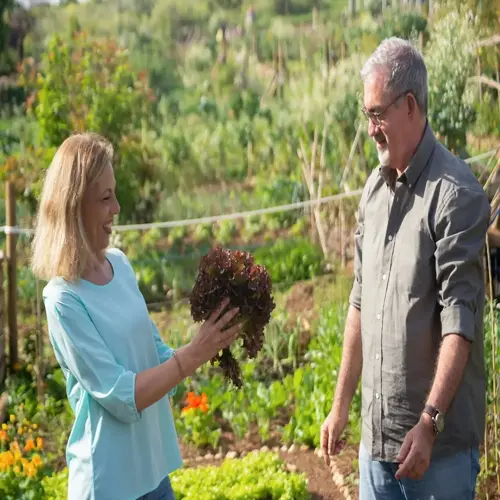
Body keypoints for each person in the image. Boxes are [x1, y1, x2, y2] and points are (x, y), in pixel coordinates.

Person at [320, 37, 490, 500]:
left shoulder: (456, 196)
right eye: (367, 115)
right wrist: (340, 407)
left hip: (438, 455)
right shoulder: (373, 193)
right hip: (377, 450)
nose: (371, 129)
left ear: (410, 106)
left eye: (378, 114)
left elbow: (460, 322)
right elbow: (360, 303)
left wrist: (430, 422)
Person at [31, 133, 242, 500]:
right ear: (75, 205)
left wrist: (211, 338)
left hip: (152, 472)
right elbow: (119, 394)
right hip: (108, 482)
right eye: (105, 197)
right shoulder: (63, 299)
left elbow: (157, 355)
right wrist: (193, 353)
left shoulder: (120, 265)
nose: (116, 208)